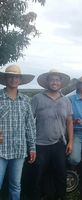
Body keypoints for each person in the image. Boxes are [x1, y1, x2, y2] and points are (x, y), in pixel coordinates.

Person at [31, 69, 73, 200]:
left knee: (60, 174)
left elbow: (69, 122)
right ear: (47, 82)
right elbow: (29, 121)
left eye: (57, 79)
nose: (54, 82)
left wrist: (70, 141)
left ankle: (61, 197)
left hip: (59, 144)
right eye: (52, 79)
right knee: (38, 175)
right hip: (40, 144)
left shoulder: (65, 100)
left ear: (60, 83)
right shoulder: (37, 99)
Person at [0, 64, 36, 200]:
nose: (13, 79)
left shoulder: (26, 101)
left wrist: (32, 148)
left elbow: (30, 126)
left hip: (19, 149)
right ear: (5, 78)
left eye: (16, 77)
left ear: (20, 80)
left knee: (15, 186)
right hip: (1, 150)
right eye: (10, 76)